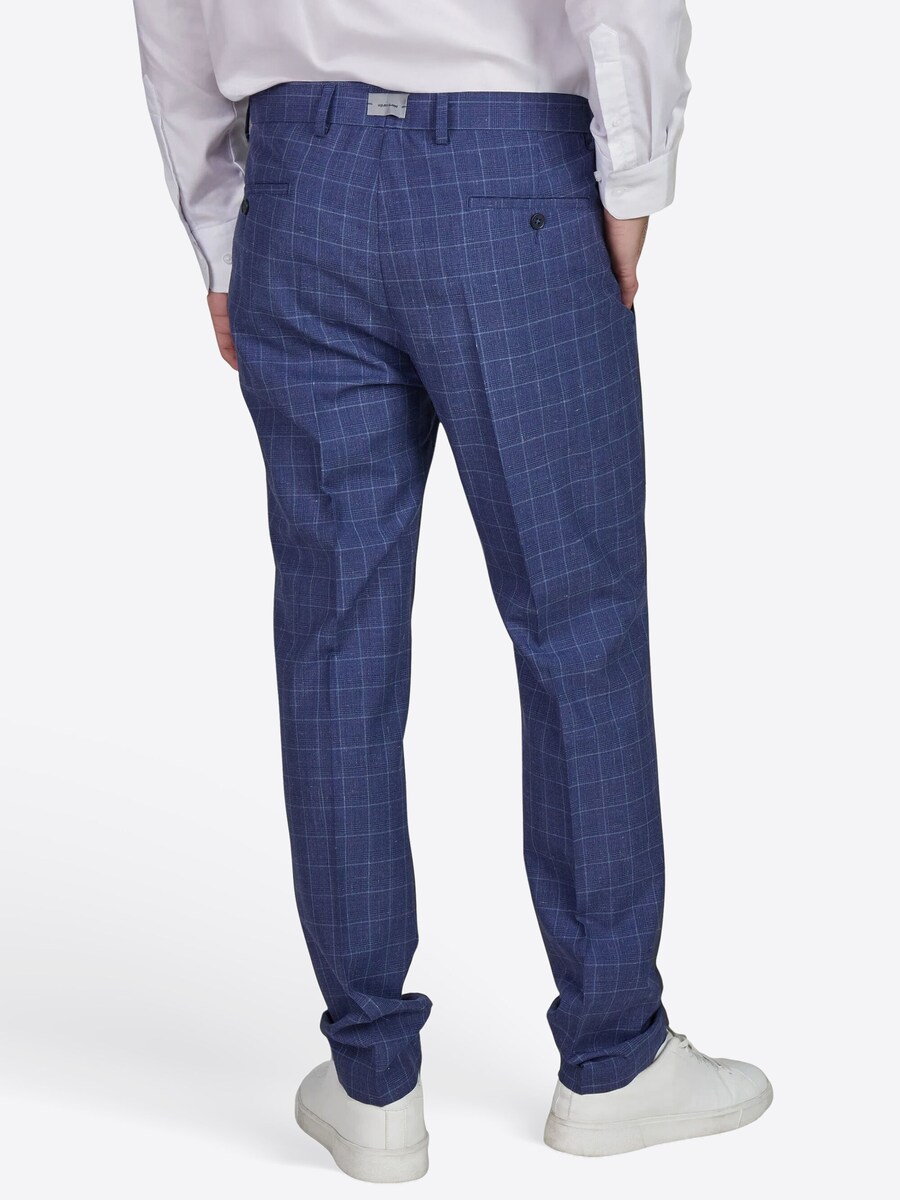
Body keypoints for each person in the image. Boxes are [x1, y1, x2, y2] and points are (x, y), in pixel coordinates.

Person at [131, 1, 772, 1182]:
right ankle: (615, 1058)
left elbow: (172, 21)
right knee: (578, 629)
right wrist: (634, 174)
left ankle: (371, 1081)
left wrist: (221, 229)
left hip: (300, 192)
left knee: (335, 643)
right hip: (506, 177)